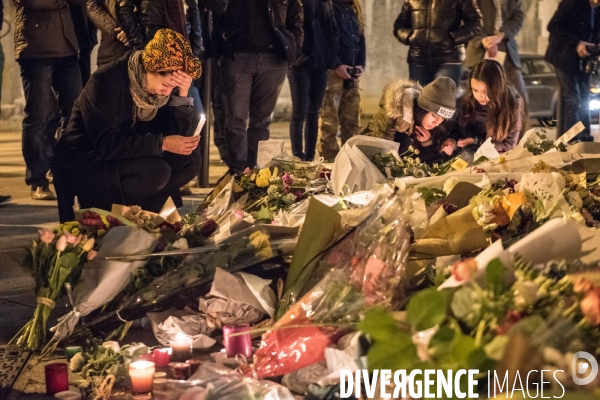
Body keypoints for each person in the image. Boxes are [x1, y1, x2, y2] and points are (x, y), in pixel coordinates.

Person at [53, 29, 203, 222]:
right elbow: (107, 144)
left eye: (172, 88)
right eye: (166, 85)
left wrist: (182, 96)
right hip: (87, 161)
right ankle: (118, 214)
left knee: (190, 161)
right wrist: (161, 144)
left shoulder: (155, 94)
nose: (166, 93)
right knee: (156, 172)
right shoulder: (106, 81)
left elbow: (170, 134)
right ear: (150, 68)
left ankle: (144, 215)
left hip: (125, 157)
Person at [216, 0, 303, 175]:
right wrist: (222, 48)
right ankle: (237, 170)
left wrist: (292, 50)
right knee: (235, 118)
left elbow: (296, 19)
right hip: (238, 56)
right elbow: (217, 13)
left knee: (262, 120)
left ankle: (254, 170)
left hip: (274, 58)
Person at [288, 0, 339, 162]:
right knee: (300, 111)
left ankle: (309, 157)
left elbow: (332, 30)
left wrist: (330, 57)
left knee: (313, 112)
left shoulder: (326, 3)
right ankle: (297, 156)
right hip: (300, 64)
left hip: (320, 63)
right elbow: (291, 25)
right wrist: (297, 55)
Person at [363, 77, 457, 164]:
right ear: (423, 109)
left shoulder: (436, 126)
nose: (437, 123)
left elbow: (434, 165)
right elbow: (379, 155)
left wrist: (427, 143)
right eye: (434, 115)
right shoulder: (395, 114)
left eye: (442, 118)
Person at [442, 59, 523, 159]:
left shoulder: (511, 103)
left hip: (496, 155)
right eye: (475, 90)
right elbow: (459, 129)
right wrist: (452, 140)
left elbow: (509, 145)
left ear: (497, 88)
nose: (480, 96)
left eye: (485, 91)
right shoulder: (468, 100)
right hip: (467, 151)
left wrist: (476, 141)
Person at [545, 0, 600, 142]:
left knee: (584, 99)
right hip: (564, 56)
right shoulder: (572, 3)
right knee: (573, 99)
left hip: (584, 59)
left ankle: (584, 138)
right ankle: (570, 141)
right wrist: (576, 43)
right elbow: (553, 26)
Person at [393, 0, 482, 86]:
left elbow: (476, 23)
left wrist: (452, 38)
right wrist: (410, 37)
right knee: (419, 100)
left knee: (443, 99)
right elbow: (399, 25)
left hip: (449, 59)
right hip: (418, 61)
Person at [317, 0, 365, 161]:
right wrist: (337, 65)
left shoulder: (354, 8)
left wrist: (361, 64)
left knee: (352, 121)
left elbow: (361, 39)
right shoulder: (328, 6)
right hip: (333, 73)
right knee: (329, 122)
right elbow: (324, 39)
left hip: (353, 73)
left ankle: (351, 159)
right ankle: (329, 161)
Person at [465, 0, 528, 118]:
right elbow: (466, 20)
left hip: (506, 48)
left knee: (520, 99)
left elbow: (518, 17)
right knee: (479, 101)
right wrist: (483, 40)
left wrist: (501, 35)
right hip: (479, 50)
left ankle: (519, 136)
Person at [87, 0, 130, 67]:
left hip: (143, 44)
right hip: (113, 46)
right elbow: (92, 5)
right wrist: (116, 31)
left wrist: (132, 31)